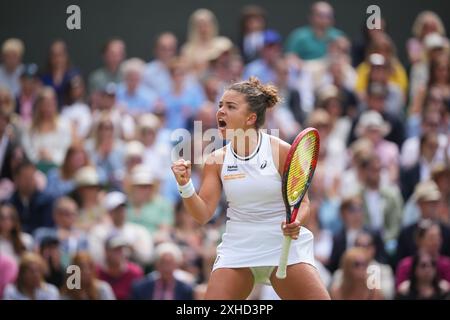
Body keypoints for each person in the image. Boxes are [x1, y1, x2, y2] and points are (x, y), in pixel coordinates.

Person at [171, 77, 330, 299]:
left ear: (250, 118)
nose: (221, 112)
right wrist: (185, 185)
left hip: (282, 246)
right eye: (220, 106)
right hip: (239, 248)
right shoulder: (215, 160)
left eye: (230, 106)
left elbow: (302, 203)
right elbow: (202, 214)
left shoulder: (281, 151)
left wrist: (296, 222)